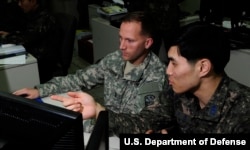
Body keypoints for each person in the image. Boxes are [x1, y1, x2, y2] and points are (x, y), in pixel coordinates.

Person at [51, 22, 250, 134]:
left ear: (203, 67)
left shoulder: (243, 110)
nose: (167, 71)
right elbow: (147, 120)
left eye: (174, 63)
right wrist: (99, 112)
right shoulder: (178, 92)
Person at [13, 11, 167, 134]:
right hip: (103, 126)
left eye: (130, 40)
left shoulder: (157, 76)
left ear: (147, 43)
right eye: (120, 38)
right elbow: (80, 79)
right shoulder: (115, 59)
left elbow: (144, 123)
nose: (121, 46)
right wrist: (39, 90)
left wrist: (101, 113)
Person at [0, 0, 60, 83]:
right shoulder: (33, 14)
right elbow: (27, 33)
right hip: (35, 54)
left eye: (22, 1)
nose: (19, 4)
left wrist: (6, 37)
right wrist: (10, 34)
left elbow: (27, 38)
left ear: (33, 1)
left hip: (43, 63)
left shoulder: (44, 18)